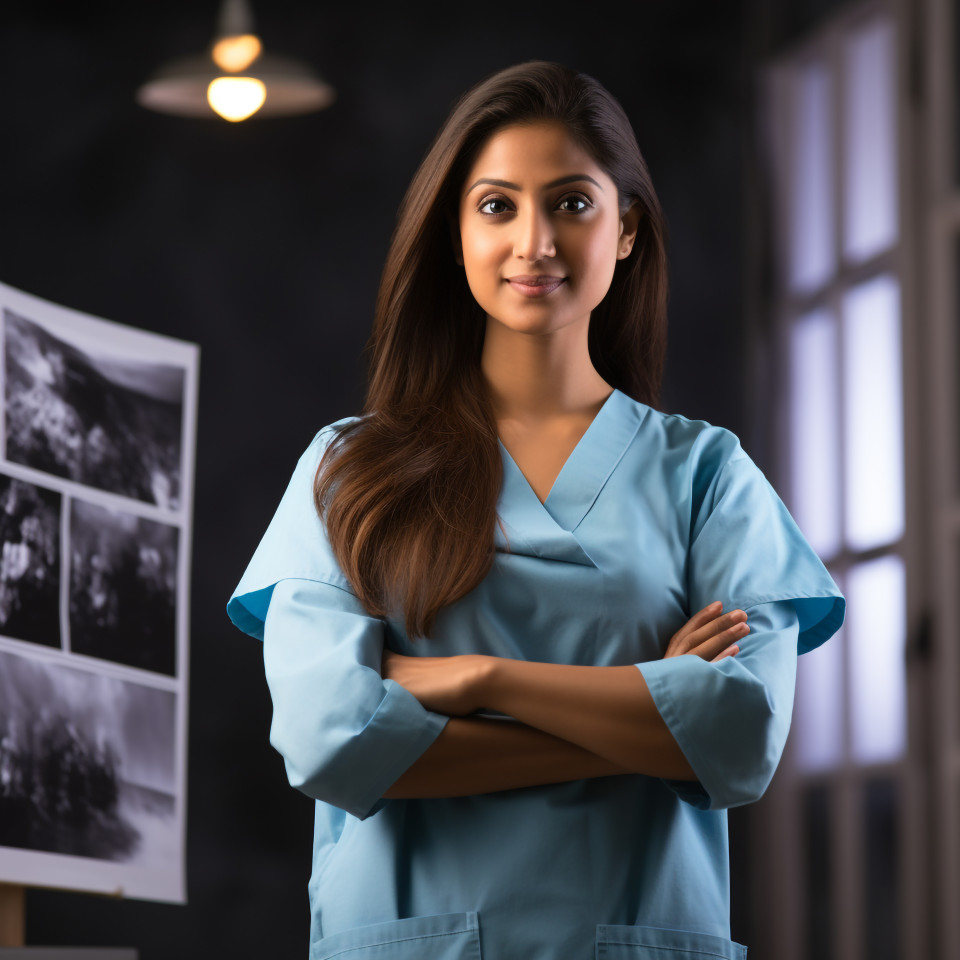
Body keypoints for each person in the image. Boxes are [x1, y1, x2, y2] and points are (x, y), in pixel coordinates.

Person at [227, 60, 844, 960]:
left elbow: (738, 736)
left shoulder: (708, 476)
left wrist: (480, 681)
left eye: (572, 204)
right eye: (496, 206)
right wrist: (647, 720)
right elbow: (329, 739)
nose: (535, 242)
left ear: (626, 228)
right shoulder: (348, 467)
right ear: (454, 230)